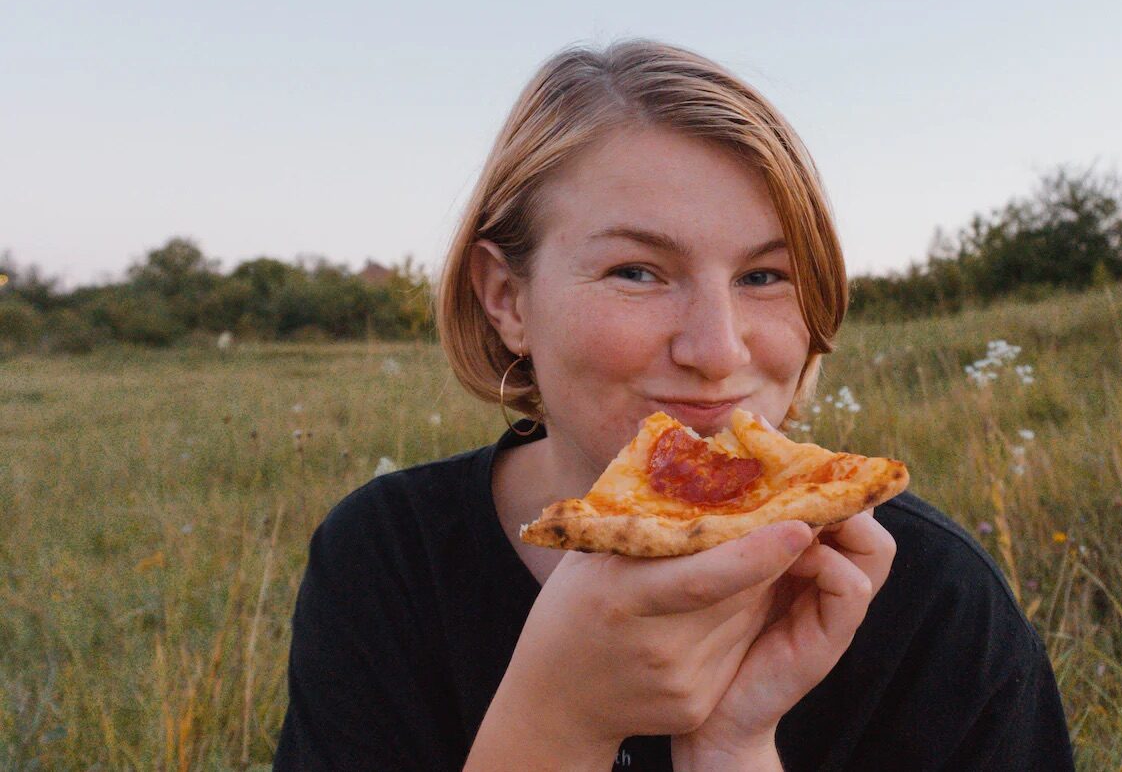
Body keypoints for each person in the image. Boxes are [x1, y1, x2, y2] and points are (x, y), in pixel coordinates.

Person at [273, 40, 1074, 771]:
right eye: (637, 272)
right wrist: (558, 720)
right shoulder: (383, 559)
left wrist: (733, 749)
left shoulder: (934, 601)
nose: (719, 350)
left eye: (764, 276)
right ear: (507, 298)